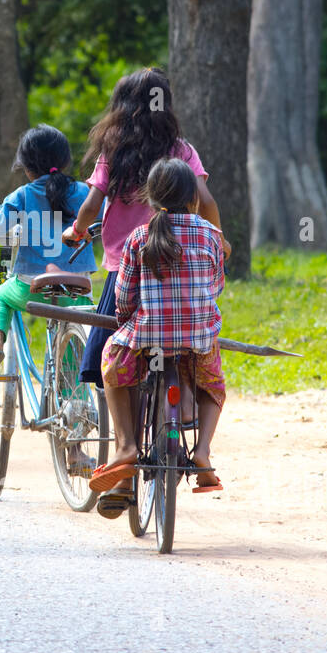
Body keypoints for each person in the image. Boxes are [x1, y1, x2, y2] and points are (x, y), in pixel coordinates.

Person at [61, 67, 224, 391]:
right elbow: (206, 202)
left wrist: (77, 230)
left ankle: (124, 430)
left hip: (125, 262)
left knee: (107, 347)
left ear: (121, 108)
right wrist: (218, 240)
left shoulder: (114, 151)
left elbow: (92, 205)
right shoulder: (181, 150)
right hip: (175, 258)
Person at [86, 157, 230, 517]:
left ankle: (125, 447)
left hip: (147, 336)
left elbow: (124, 299)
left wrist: (126, 323)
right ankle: (203, 452)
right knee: (213, 385)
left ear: (150, 198)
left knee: (112, 361)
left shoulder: (138, 237)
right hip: (197, 340)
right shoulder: (212, 236)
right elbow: (216, 286)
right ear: (194, 199)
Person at [0, 124, 96, 385]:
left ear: (26, 166)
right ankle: (76, 403)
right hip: (78, 290)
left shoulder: (23, 195)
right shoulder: (85, 192)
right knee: (72, 348)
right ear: (65, 160)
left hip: (32, 287)